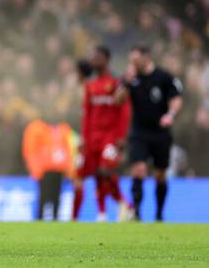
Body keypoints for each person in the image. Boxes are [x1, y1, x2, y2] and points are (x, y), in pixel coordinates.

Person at [115, 45, 182, 221]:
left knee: (160, 174)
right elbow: (118, 100)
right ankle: (136, 211)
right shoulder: (131, 78)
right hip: (139, 132)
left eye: (136, 59)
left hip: (160, 133)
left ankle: (159, 213)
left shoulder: (163, 77)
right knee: (139, 169)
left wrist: (170, 114)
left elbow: (175, 98)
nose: (133, 63)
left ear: (146, 57)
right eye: (131, 60)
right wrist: (127, 82)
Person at [72, 46, 132, 222]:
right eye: (93, 58)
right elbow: (87, 114)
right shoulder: (90, 86)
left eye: (97, 58)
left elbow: (124, 111)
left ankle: (122, 204)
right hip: (92, 137)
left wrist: (121, 136)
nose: (94, 61)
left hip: (110, 137)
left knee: (105, 169)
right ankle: (100, 213)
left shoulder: (116, 83)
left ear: (106, 59)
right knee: (88, 174)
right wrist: (83, 137)